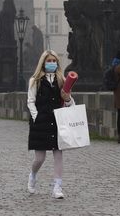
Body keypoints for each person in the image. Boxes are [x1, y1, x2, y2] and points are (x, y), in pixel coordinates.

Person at [26, 49, 75, 199]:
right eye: (49, 61)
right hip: (41, 122)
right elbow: (30, 101)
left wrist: (67, 98)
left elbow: (70, 103)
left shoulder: (62, 80)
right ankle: (33, 175)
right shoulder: (35, 81)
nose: (52, 63)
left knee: (58, 155)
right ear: (43, 63)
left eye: (54, 61)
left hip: (57, 122)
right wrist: (36, 117)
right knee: (40, 158)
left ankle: (57, 187)